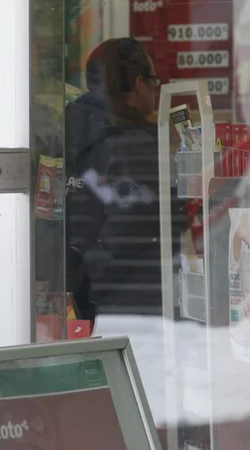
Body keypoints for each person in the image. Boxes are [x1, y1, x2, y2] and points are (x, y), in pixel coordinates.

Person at [65, 38, 188, 317]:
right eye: (154, 82)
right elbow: (130, 226)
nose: (156, 91)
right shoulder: (136, 144)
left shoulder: (73, 134)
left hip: (82, 296)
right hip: (132, 302)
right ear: (138, 83)